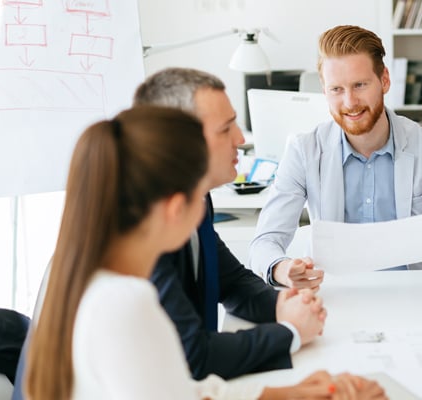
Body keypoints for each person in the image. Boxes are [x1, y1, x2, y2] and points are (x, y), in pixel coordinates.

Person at [24, 106, 386, 399]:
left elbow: (179, 388)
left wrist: (285, 394)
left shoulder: (91, 270)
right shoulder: (124, 302)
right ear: (174, 207)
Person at [249, 25, 422, 289]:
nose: (350, 102)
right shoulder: (303, 150)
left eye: (360, 85)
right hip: (336, 295)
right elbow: (265, 241)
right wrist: (281, 269)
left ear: (384, 80)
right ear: (324, 89)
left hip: (414, 295)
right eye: (336, 89)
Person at [132, 68, 324, 379]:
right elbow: (193, 356)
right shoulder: (146, 226)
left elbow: (231, 283)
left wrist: (282, 303)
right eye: (225, 129)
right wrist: (291, 332)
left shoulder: (198, 199)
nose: (240, 138)